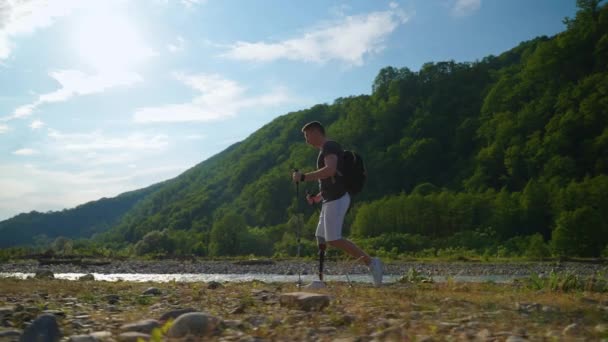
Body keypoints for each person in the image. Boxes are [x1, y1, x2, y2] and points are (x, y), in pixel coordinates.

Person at [292, 121, 383, 286]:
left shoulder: (330, 146)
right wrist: (317, 198)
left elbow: (330, 170)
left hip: (337, 199)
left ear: (315, 132)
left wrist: (304, 177)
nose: (306, 140)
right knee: (320, 236)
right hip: (330, 199)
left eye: (307, 136)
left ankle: (372, 263)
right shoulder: (324, 150)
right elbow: (331, 180)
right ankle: (320, 280)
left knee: (333, 239)